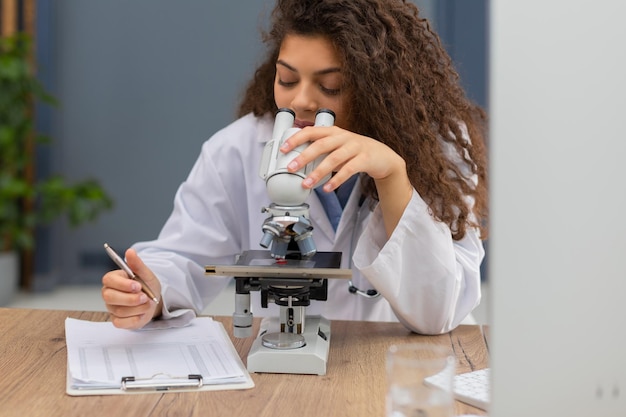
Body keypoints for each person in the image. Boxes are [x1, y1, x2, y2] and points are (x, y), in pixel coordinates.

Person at [101, 0, 488, 335]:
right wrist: (150, 291)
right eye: (286, 79)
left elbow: (440, 313)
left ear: (378, 89)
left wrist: (393, 178)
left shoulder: (438, 148)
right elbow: (182, 258)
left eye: (330, 86)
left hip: (394, 370)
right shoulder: (239, 148)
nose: (301, 100)